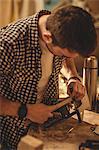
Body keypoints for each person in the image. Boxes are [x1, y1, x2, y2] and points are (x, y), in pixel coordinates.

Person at [0, 5, 97, 149]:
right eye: (67, 53)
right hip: (14, 135)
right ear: (47, 37)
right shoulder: (8, 44)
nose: (70, 57)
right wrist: (25, 111)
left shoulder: (60, 26)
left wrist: (73, 76)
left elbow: (65, 57)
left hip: (49, 125)